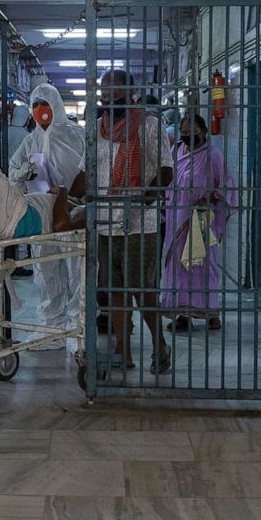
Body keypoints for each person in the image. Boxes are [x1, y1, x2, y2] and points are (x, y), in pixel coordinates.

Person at [70, 70, 174, 373]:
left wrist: (145, 197)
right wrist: (64, 194)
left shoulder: (150, 126)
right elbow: (85, 172)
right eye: (104, 92)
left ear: (132, 94)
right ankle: (123, 352)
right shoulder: (95, 130)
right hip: (105, 223)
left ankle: (160, 345)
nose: (109, 97)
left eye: (115, 92)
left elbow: (166, 171)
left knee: (142, 290)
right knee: (114, 291)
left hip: (142, 225)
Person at [9, 84, 86, 351]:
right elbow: (14, 172)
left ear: (56, 105)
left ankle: (79, 329)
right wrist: (23, 173)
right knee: (45, 270)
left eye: (45, 103)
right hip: (42, 212)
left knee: (78, 270)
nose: (41, 109)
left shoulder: (78, 135)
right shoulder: (29, 141)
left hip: (72, 210)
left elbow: (91, 169)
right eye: (36, 104)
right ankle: (51, 327)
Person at [161, 114, 236, 333]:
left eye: (191, 133)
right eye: (183, 133)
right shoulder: (176, 152)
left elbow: (226, 187)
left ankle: (211, 312)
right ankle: (183, 314)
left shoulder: (213, 156)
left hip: (201, 218)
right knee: (179, 266)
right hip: (177, 218)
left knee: (203, 264)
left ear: (202, 132)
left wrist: (211, 197)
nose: (186, 137)